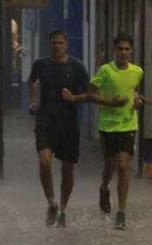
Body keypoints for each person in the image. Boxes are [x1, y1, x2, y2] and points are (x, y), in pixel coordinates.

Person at [63, 33, 144, 230]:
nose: (123, 52)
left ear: (131, 51)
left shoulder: (137, 71)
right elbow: (91, 95)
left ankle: (121, 213)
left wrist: (137, 102)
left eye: (127, 49)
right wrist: (110, 103)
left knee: (124, 167)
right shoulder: (105, 71)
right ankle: (104, 187)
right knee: (110, 167)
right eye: (120, 49)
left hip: (128, 125)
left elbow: (133, 92)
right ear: (114, 50)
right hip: (108, 126)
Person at [28, 30, 90, 228]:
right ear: (49, 44)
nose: (57, 46)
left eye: (60, 43)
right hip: (45, 121)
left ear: (67, 44)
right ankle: (51, 203)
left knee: (67, 169)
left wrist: (74, 98)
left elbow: (89, 92)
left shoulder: (76, 66)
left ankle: (63, 207)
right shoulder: (41, 64)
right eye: (54, 43)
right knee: (44, 162)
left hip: (68, 123)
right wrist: (33, 102)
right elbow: (32, 82)